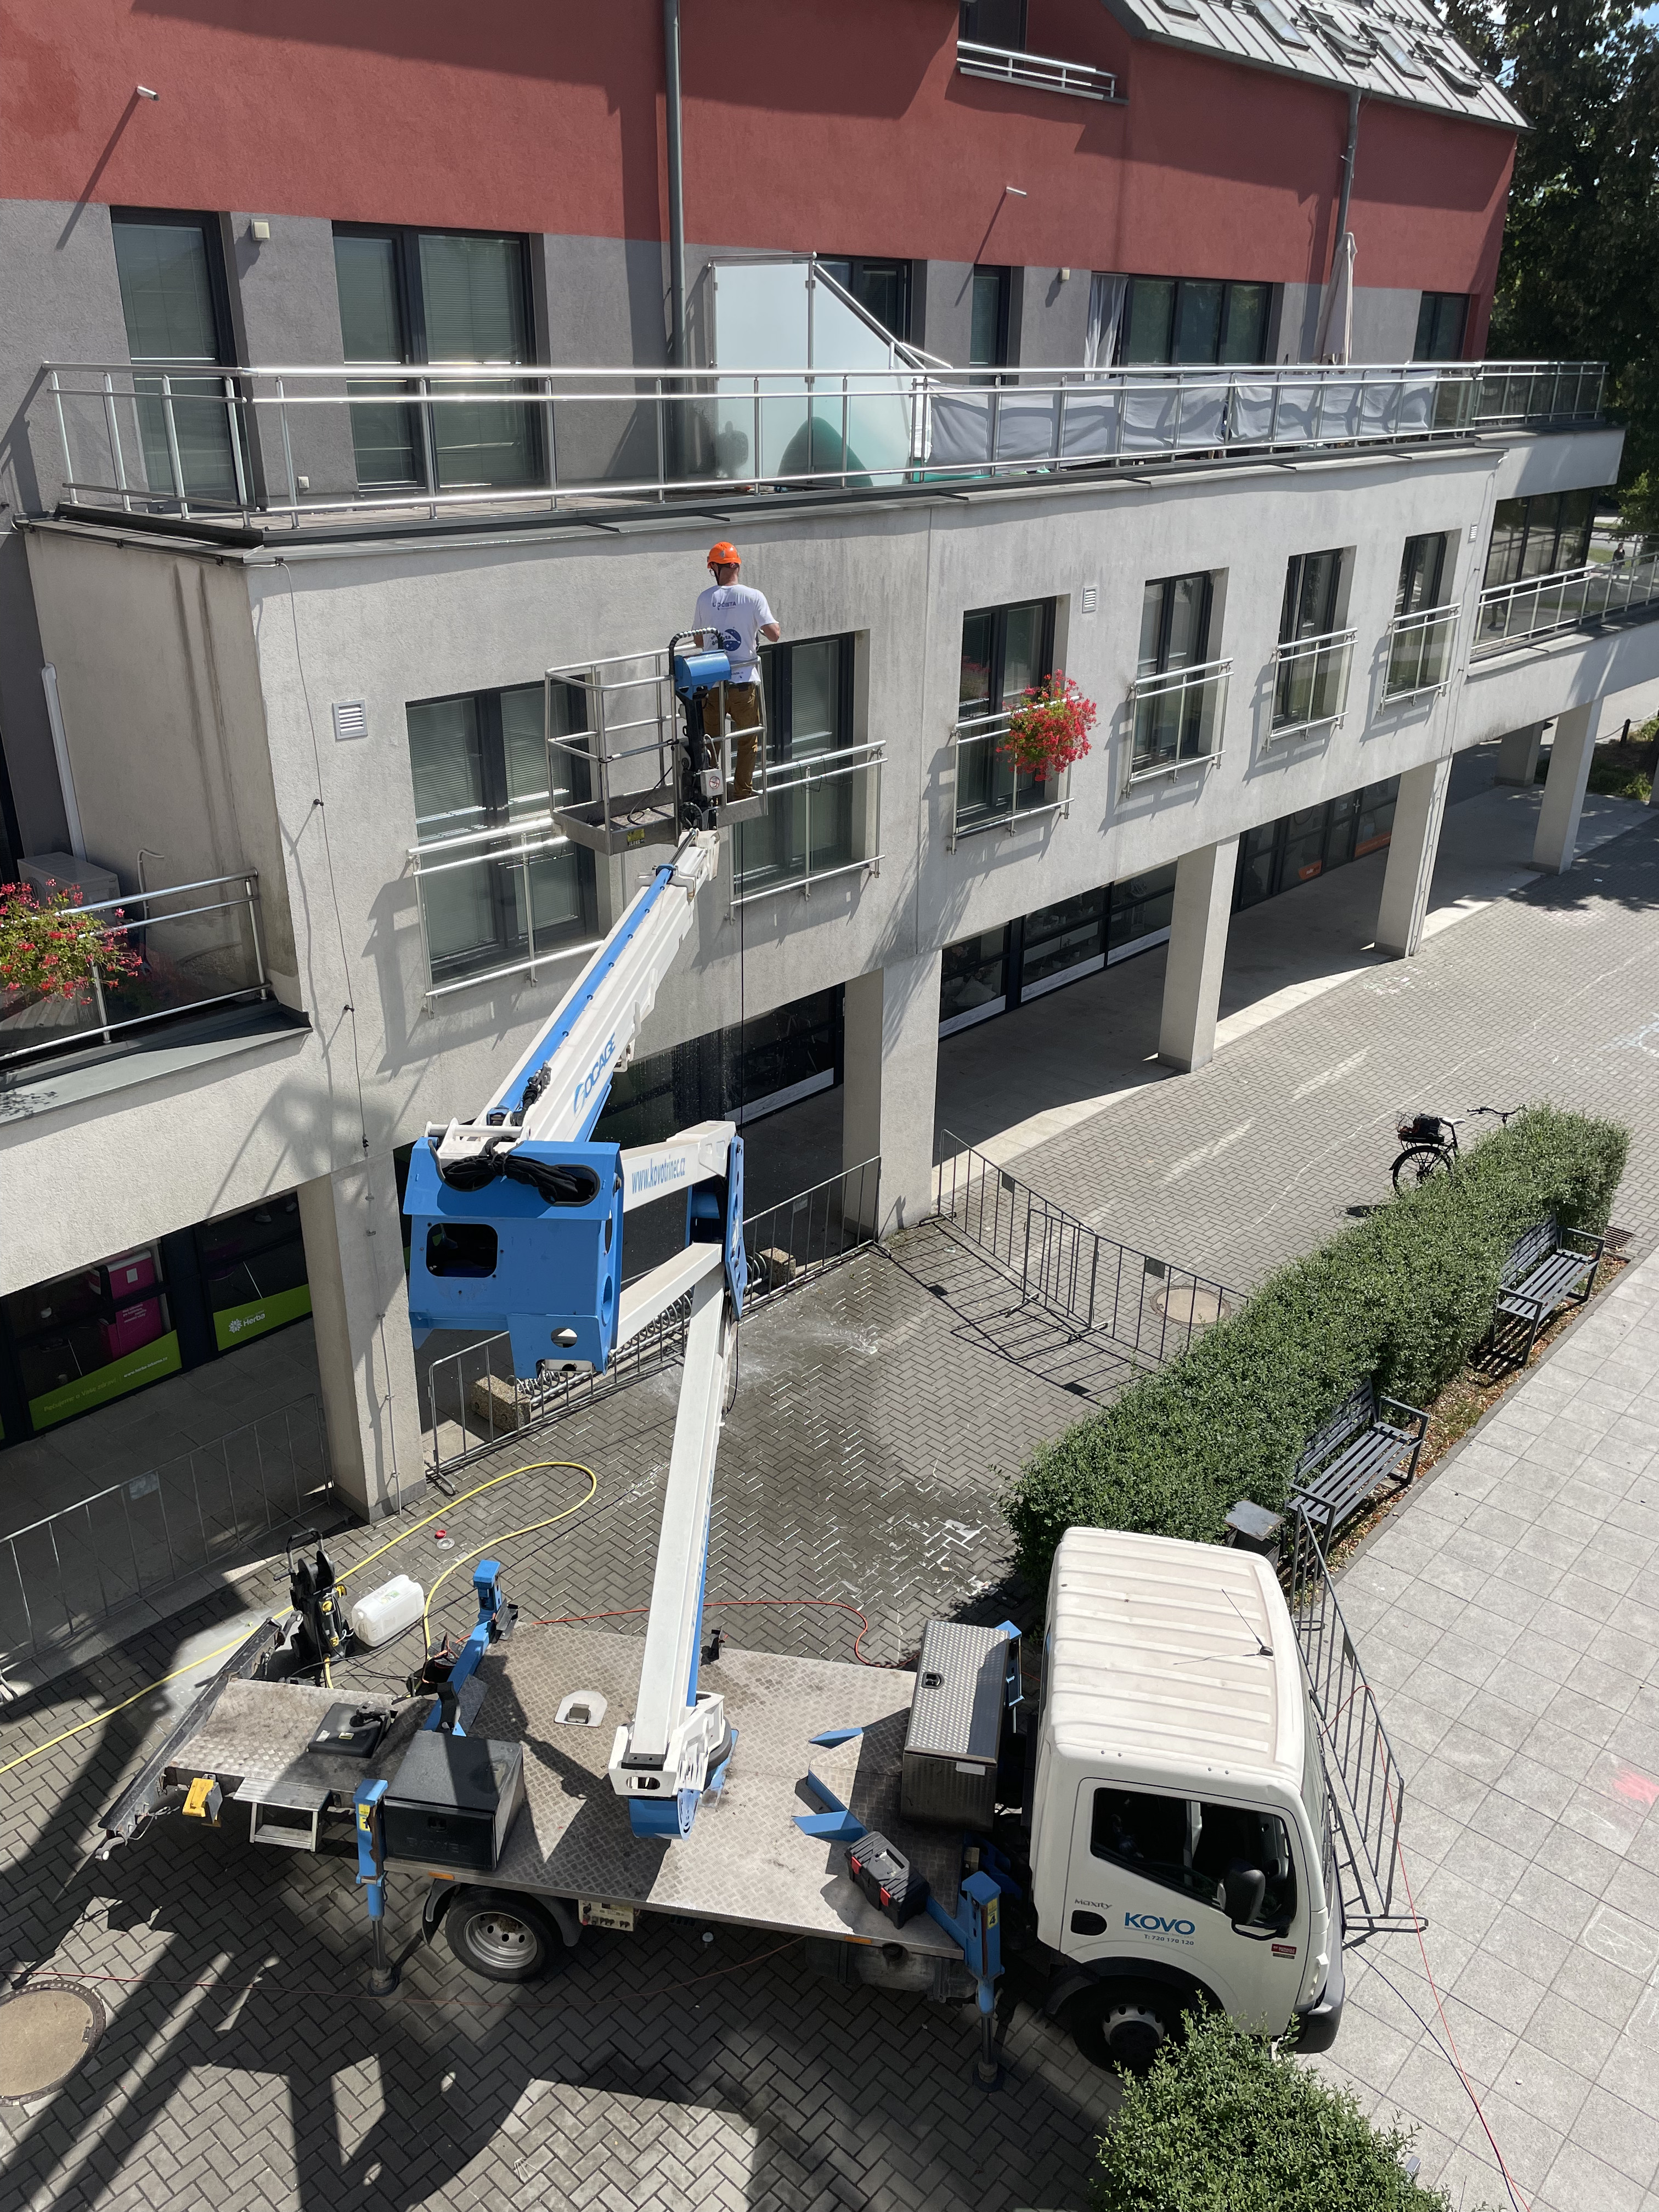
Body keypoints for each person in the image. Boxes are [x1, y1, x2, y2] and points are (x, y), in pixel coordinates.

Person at [693, 541, 779, 800]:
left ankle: (712, 793)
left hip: (713, 684)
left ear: (716, 568)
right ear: (736, 565)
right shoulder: (753, 597)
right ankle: (742, 790)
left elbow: (698, 641)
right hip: (744, 684)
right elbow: (774, 635)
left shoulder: (705, 598)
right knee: (748, 739)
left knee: (712, 743)